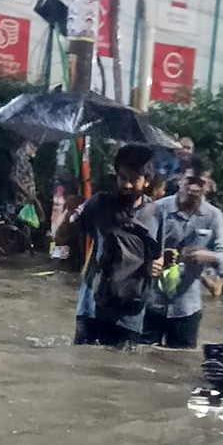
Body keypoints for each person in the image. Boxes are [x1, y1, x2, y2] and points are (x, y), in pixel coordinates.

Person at [72, 145, 164, 348]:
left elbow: (159, 255)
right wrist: (73, 210)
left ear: (147, 181)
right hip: (92, 308)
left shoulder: (157, 212)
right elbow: (63, 237)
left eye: (134, 179)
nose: (127, 184)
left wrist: (158, 265)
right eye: (123, 177)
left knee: (120, 374)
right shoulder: (99, 204)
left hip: (131, 314)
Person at [143, 157, 223, 349]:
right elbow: (143, 247)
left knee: (180, 365)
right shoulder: (159, 209)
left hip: (187, 307)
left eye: (200, 183)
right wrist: (158, 258)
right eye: (190, 181)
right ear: (180, 180)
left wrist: (207, 256)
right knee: (140, 360)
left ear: (209, 186)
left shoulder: (213, 216)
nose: (194, 188)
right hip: (152, 303)